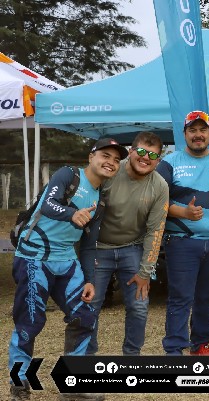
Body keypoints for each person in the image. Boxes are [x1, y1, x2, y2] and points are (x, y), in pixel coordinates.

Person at [8, 138, 128, 401]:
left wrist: (90, 280)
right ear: (91, 157)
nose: (111, 162)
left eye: (117, 159)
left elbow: (88, 246)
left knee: (84, 317)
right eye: (105, 155)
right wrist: (71, 214)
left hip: (67, 262)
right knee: (29, 322)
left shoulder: (100, 200)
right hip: (33, 258)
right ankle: (19, 384)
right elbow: (49, 204)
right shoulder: (68, 175)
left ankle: (73, 383)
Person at [82, 132, 168, 356]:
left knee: (139, 306)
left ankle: (132, 358)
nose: (145, 158)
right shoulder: (110, 171)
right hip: (98, 247)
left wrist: (145, 271)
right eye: (141, 151)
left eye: (152, 155)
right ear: (130, 152)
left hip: (132, 247)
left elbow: (155, 231)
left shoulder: (160, 186)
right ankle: (87, 359)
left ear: (158, 160)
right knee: (90, 305)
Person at [156, 110, 209, 356]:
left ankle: (200, 344)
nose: (198, 135)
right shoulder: (169, 163)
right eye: (192, 130)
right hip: (182, 241)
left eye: (202, 130)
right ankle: (175, 349)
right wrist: (183, 213)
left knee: (206, 297)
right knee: (181, 297)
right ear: (184, 134)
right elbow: (155, 201)